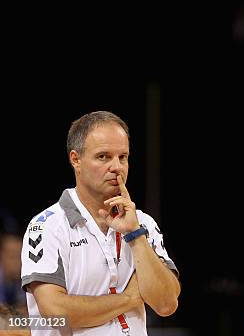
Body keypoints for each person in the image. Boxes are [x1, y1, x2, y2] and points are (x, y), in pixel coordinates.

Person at [20, 111, 180, 335]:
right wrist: (131, 297)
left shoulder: (143, 223)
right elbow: (56, 312)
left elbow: (166, 304)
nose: (117, 167)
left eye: (122, 157)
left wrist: (135, 235)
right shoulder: (47, 226)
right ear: (76, 159)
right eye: (103, 156)